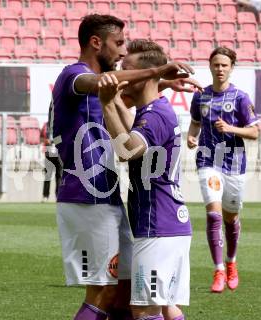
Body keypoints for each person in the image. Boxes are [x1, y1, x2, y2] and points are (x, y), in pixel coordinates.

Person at [52, 14, 199, 320]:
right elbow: (102, 87)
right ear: (96, 42)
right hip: (86, 197)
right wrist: (157, 73)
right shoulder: (75, 76)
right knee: (109, 292)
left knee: (128, 293)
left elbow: (122, 107)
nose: (121, 52)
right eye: (118, 43)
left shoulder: (140, 105)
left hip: (125, 207)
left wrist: (159, 81)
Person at [98, 40, 192, 320]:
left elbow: (127, 150)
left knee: (143, 309)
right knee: (166, 306)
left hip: (158, 224)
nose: (123, 75)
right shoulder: (153, 111)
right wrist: (113, 100)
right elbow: (130, 128)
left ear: (148, 75)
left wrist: (105, 105)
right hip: (169, 223)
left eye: (128, 69)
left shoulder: (156, 116)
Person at [187, 47, 259, 293]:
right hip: (208, 162)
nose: (220, 69)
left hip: (235, 165)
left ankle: (231, 263)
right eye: (216, 65)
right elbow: (195, 124)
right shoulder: (200, 96)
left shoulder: (240, 97)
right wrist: (191, 137)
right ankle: (218, 270)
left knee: (231, 219)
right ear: (210, 66)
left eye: (224, 65)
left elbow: (255, 132)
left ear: (231, 68)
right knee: (214, 215)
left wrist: (231, 128)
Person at [41, 100, 62, 202]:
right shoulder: (49, 125)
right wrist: (49, 140)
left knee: (59, 173)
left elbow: (63, 137)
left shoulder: (62, 122)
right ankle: (45, 195)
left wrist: (55, 141)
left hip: (59, 149)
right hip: (50, 148)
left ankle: (58, 195)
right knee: (48, 173)